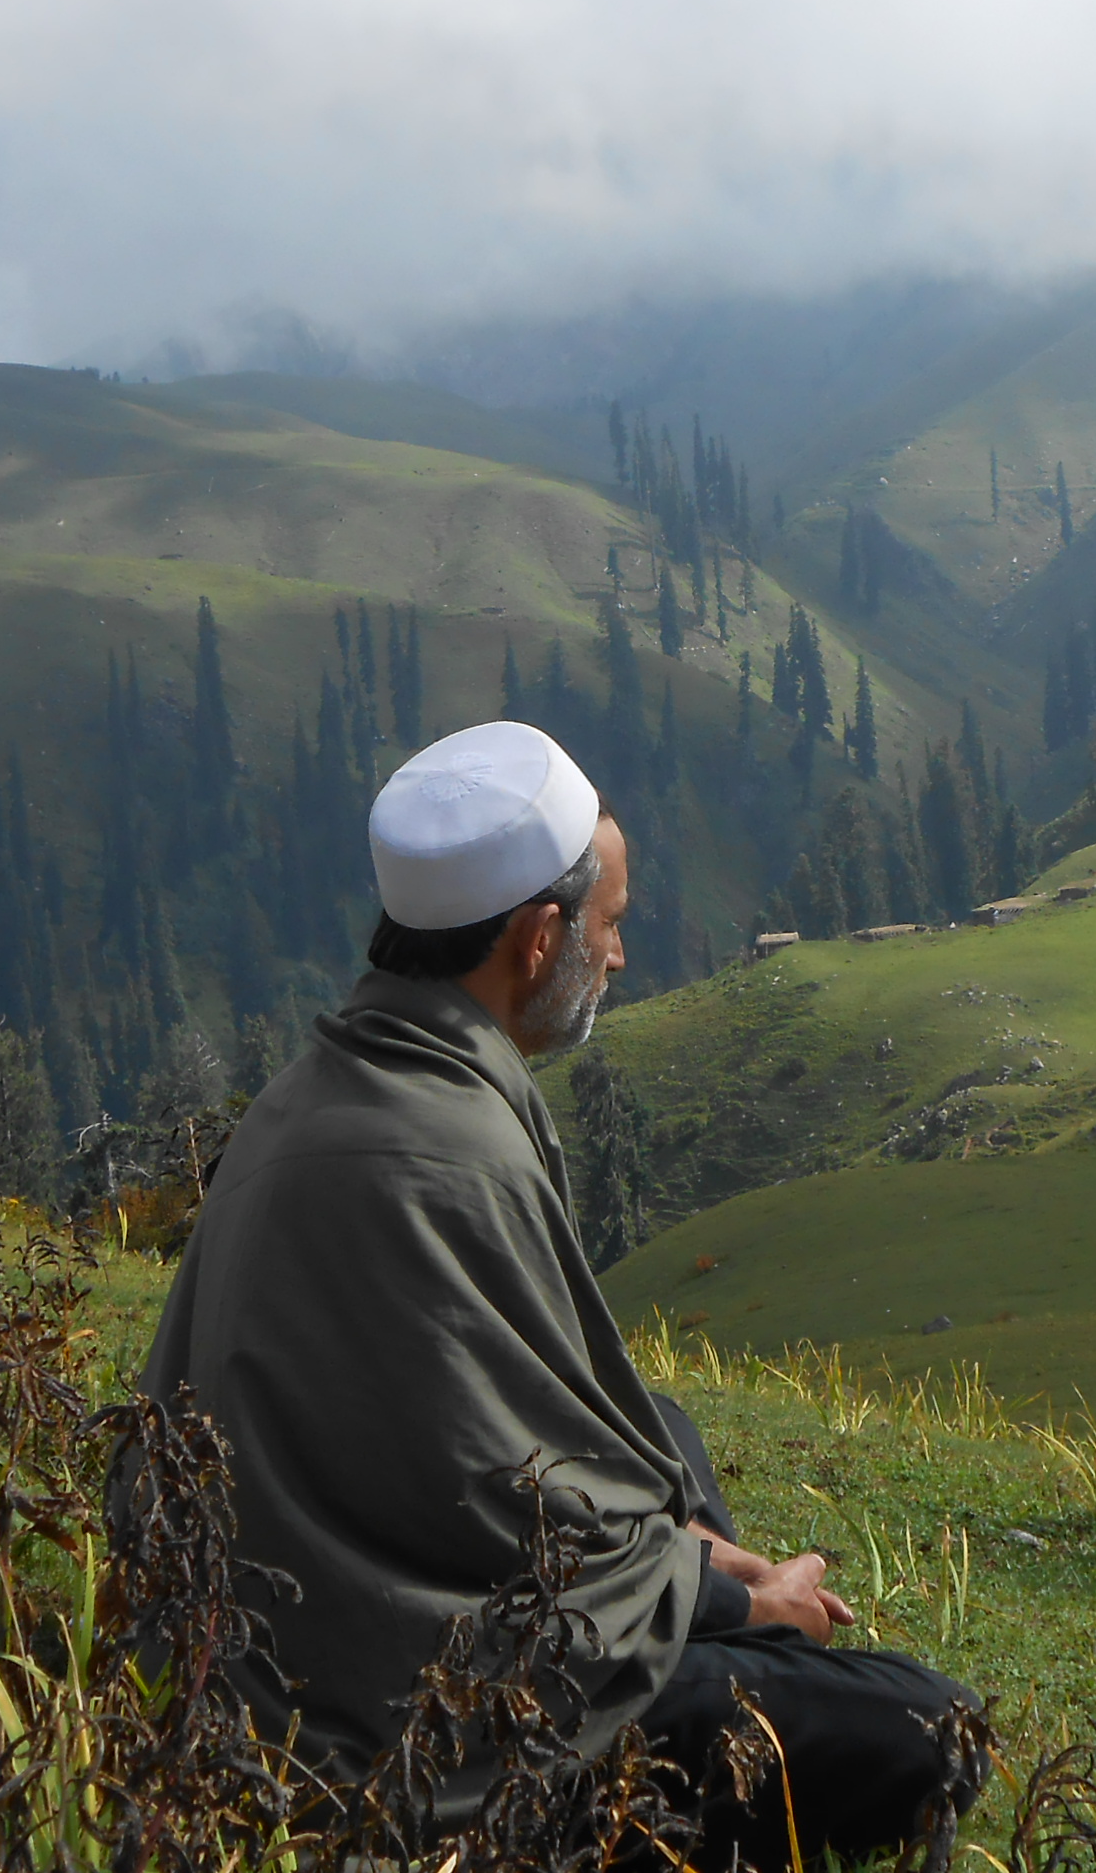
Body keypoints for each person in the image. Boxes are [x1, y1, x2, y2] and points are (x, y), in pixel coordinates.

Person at [122, 718, 979, 1861]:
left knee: (657, 1427)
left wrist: (697, 1565)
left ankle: (733, 1629)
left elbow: (487, 1440)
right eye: (610, 926)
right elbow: (510, 1500)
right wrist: (731, 1598)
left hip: (269, 1620)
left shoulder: (323, 1084)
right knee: (932, 1725)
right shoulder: (449, 1155)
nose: (618, 958)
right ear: (537, 937)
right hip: (394, 1710)